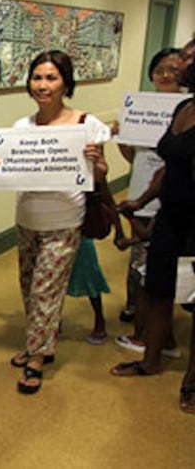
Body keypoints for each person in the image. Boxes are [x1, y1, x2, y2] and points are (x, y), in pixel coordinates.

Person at [0, 50, 110, 394]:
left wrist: (96, 162)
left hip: (65, 220)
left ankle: (37, 356)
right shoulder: (22, 128)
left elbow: (101, 174)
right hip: (26, 220)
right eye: (37, 77)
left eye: (51, 78)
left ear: (66, 82)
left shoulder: (86, 124)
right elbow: (10, 168)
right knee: (29, 287)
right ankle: (42, 341)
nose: (43, 85)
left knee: (45, 290)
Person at [111, 37, 195, 416]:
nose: (183, 63)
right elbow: (168, 167)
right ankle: (151, 360)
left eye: (191, 57)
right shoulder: (184, 106)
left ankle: (192, 382)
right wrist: (141, 201)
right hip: (170, 216)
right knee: (158, 289)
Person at [113, 48, 183, 360]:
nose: (167, 75)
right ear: (152, 74)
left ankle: (156, 328)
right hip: (141, 192)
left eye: (174, 69)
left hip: (173, 198)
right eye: (160, 70)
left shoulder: (187, 109)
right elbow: (134, 157)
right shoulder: (141, 107)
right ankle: (136, 310)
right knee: (138, 259)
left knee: (162, 263)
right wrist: (122, 137)